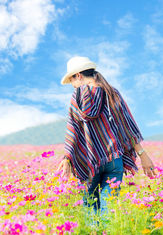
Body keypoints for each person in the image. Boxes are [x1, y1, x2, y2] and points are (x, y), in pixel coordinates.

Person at [56, 56, 156, 218]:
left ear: (79, 76)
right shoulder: (111, 92)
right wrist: (142, 155)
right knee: (108, 208)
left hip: (90, 161)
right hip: (114, 160)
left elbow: (73, 127)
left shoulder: (77, 96)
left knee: (90, 207)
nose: (73, 85)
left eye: (72, 80)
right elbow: (127, 126)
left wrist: (67, 156)